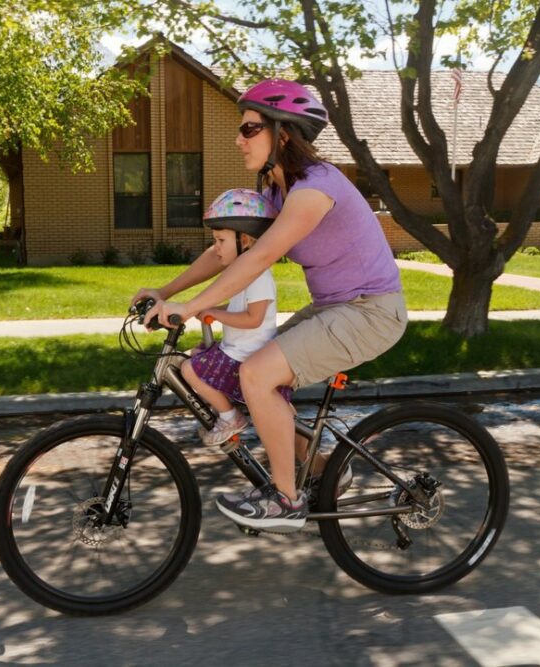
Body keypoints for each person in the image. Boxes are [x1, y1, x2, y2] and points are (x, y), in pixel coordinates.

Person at [133, 79, 406, 533]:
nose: (238, 139)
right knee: (255, 378)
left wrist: (193, 306)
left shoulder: (314, 189)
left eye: (249, 129)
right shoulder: (277, 193)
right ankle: (321, 469)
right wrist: (165, 292)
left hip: (371, 311)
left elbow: (259, 257)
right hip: (336, 309)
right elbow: (232, 248)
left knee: (256, 374)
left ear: (283, 134)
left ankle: (287, 500)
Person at [180, 189, 293, 448]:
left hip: (247, 355)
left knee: (190, 369)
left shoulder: (259, 277)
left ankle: (230, 417)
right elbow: (238, 307)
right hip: (238, 349)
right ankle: (224, 412)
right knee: (190, 357)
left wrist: (215, 312)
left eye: (220, 241)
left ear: (245, 241)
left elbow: (254, 318)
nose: (215, 247)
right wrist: (210, 308)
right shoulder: (242, 274)